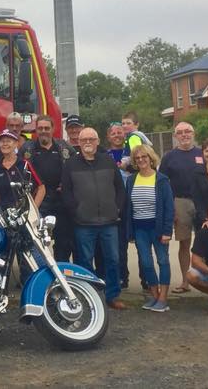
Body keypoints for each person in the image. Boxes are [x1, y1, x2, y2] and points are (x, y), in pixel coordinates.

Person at [61, 127, 127, 310]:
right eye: (84, 140)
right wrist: (76, 211)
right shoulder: (71, 164)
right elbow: (66, 192)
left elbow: (120, 189)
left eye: (91, 139)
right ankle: (89, 297)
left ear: (98, 142)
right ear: (79, 142)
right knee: (84, 262)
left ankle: (112, 295)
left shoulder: (108, 161)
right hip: (83, 223)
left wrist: (117, 209)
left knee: (113, 260)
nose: (88, 142)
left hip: (109, 221)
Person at [124, 145, 175, 312]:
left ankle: (163, 298)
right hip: (140, 228)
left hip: (158, 227)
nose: (141, 160)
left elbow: (169, 207)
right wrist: (130, 231)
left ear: (151, 158)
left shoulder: (162, 180)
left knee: (163, 261)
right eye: (137, 158)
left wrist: (167, 231)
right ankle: (154, 295)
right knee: (146, 263)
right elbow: (129, 207)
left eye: (144, 157)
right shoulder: (131, 180)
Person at [22, 115, 76, 261]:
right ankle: (38, 271)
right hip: (38, 202)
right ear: (36, 130)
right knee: (35, 240)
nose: (43, 131)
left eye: (46, 128)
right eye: (40, 128)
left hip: (60, 201)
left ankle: (61, 270)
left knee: (63, 242)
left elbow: (76, 167)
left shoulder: (64, 147)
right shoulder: (27, 148)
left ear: (53, 129)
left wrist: (68, 184)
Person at [159, 122, 203, 297]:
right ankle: (185, 281)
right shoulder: (169, 157)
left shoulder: (203, 153)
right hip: (180, 202)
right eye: (180, 132)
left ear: (193, 133)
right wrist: (170, 209)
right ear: (175, 136)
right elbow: (163, 184)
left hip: (202, 202)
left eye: (187, 131)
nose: (184, 135)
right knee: (184, 243)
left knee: (206, 242)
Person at [0, 130, 45, 213]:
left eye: (8, 141)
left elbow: (41, 188)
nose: (5, 144)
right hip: (5, 215)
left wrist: (33, 210)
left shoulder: (25, 164)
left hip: (25, 214)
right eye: (2, 141)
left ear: (16, 144)